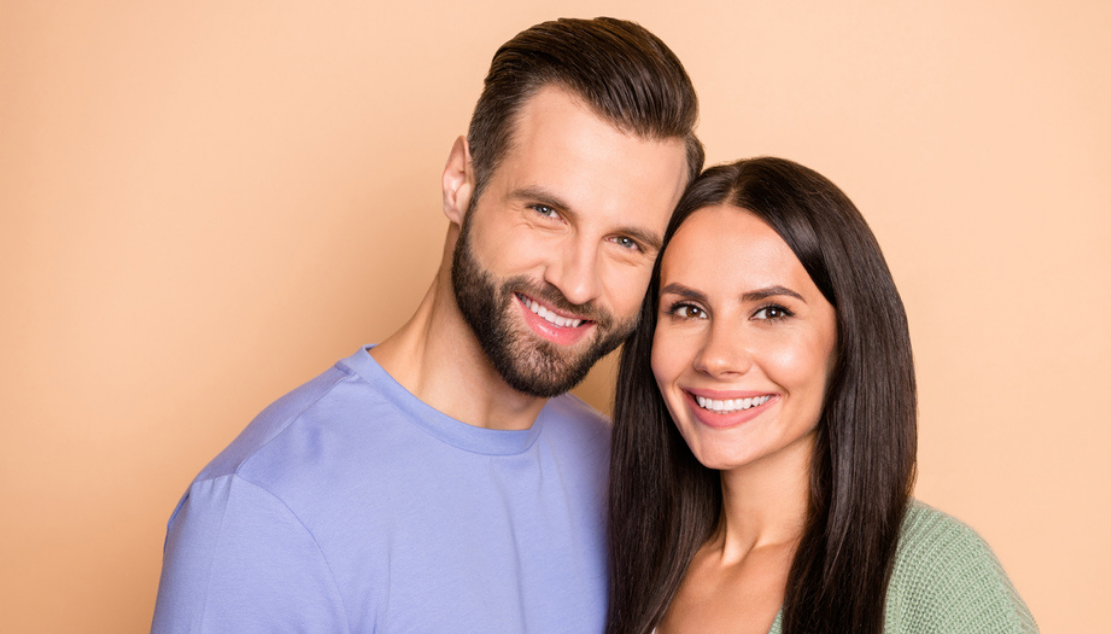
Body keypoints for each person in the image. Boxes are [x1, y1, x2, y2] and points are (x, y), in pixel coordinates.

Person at [151, 17, 703, 634]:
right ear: (461, 183)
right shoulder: (263, 514)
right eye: (546, 211)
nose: (577, 283)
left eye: (626, 241)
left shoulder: (629, 474)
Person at [607, 157, 1038, 634]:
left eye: (771, 313)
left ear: (848, 337)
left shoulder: (933, 573)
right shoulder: (633, 561)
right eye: (687, 309)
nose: (717, 357)